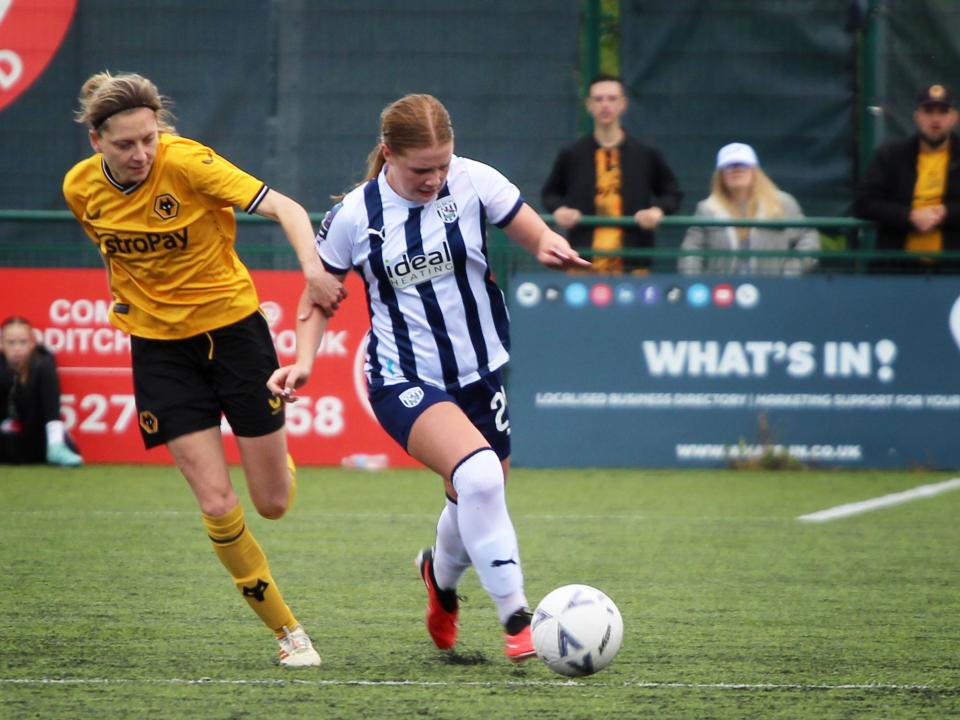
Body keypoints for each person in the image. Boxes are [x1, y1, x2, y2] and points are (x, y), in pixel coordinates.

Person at [267, 93, 590, 663]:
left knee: (474, 495)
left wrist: (548, 246)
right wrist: (305, 360)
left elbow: (529, 229)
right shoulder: (356, 216)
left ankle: (439, 584)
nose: (435, 178)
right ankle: (519, 621)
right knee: (483, 477)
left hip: (482, 372)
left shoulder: (473, 181)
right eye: (422, 169)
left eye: (443, 164)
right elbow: (320, 297)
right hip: (402, 377)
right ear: (388, 154)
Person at [62, 71, 345, 667]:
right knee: (216, 503)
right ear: (96, 142)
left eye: (149, 139)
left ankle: (276, 459)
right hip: (160, 351)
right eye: (124, 144)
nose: (140, 154)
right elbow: (115, 252)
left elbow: (288, 209)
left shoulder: (190, 165)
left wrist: (314, 271)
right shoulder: (80, 188)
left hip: (235, 337)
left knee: (270, 503)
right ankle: (289, 633)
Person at [541, 73, 682, 273]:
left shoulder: (646, 153)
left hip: (634, 263)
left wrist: (657, 211)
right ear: (589, 105)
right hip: (583, 261)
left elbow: (672, 192)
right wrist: (559, 210)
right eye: (598, 99)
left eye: (612, 98)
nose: (605, 105)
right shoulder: (572, 153)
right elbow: (550, 194)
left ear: (623, 104)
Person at [854, 84, 960, 273]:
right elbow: (865, 202)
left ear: (954, 117)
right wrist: (909, 216)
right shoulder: (891, 155)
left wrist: (946, 213)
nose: (935, 119)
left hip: (953, 270)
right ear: (917, 116)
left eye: (943, 112)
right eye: (928, 111)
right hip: (897, 271)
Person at [678, 142, 821, 275]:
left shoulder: (782, 202)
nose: (737, 169)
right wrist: (696, 283)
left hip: (774, 289)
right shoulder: (706, 209)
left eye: (743, 164)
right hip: (722, 293)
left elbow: (809, 238)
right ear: (720, 175)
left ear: (755, 171)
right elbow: (691, 250)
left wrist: (790, 272)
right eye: (729, 166)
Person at [1, 316, 83, 466]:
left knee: (69, 448)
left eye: (23, 342)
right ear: (1, 344)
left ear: (32, 343)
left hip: (38, 436)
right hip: (7, 436)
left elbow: (52, 409)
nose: (17, 348)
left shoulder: (44, 364)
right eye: (11, 343)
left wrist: (55, 442)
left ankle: (56, 448)